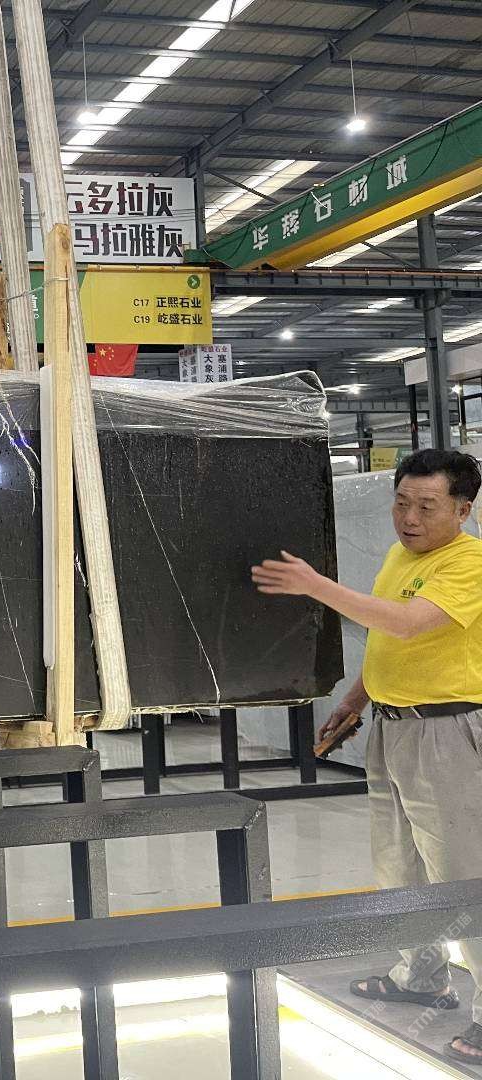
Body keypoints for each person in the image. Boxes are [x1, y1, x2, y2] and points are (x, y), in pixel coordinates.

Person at [251, 447, 482, 1066]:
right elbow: (388, 638)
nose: (409, 518)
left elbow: (407, 623)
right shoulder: (400, 557)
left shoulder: (470, 564)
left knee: (463, 874)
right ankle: (420, 976)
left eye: (426, 506)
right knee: (398, 866)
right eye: (401, 503)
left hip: (450, 733)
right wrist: (357, 699)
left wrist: (314, 585)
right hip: (393, 726)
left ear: (463, 510)